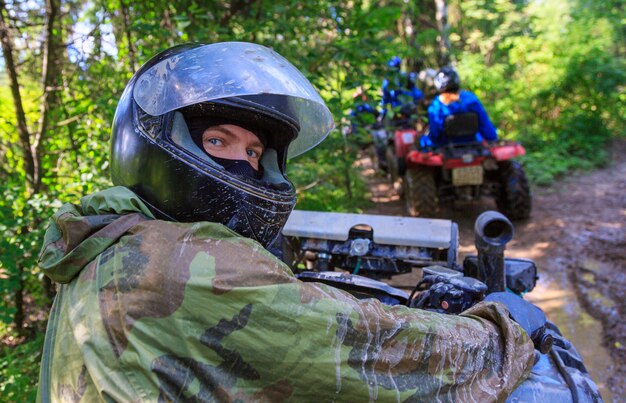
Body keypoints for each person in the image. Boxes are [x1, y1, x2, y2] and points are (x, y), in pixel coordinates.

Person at [37, 42, 535, 401]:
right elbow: (375, 353)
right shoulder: (186, 262)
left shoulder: (101, 239)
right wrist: (505, 328)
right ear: (160, 142)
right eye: (218, 140)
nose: (245, 163)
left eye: (255, 150)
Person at [423, 66, 498, 148]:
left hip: (447, 148)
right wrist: (492, 140)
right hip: (473, 145)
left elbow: (435, 134)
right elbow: (487, 129)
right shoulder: (471, 99)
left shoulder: (436, 106)